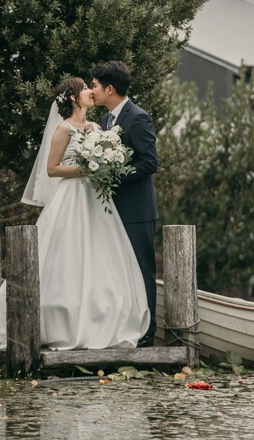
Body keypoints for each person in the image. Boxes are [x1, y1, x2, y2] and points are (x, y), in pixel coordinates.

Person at [0, 77, 149, 350]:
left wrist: (104, 167)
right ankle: (55, 320)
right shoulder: (63, 129)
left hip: (95, 198)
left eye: (92, 87)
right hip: (71, 197)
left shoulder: (97, 128)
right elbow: (52, 169)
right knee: (65, 254)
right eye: (85, 89)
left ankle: (102, 321)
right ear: (74, 98)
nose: (91, 91)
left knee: (101, 255)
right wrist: (85, 169)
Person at [91, 61, 158, 347]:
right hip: (113, 212)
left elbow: (150, 162)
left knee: (143, 270)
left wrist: (116, 174)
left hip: (137, 211)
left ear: (109, 88)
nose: (92, 91)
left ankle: (149, 332)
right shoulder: (106, 121)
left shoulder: (138, 117)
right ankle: (126, 327)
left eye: (95, 85)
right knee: (119, 272)